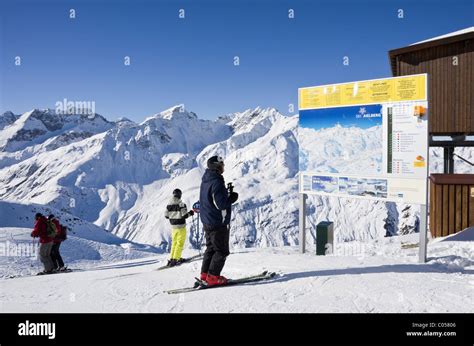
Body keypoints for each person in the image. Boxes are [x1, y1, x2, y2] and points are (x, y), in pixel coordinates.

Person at [199, 155, 238, 286]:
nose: (223, 167)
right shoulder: (216, 181)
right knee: (221, 251)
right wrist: (231, 198)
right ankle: (213, 277)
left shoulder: (206, 180)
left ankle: (205, 274)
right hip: (217, 222)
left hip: (207, 220)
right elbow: (220, 204)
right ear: (216, 166)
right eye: (221, 165)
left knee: (210, 248)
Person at [164, 189, 194, 267]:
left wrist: (173, 215)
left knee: (174, 243)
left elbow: (166, 216)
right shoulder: (181, 204)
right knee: (180, 243)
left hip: (173, 227)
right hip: (181, 226)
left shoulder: (169, 205)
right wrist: (190, 213)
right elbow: (185, 215)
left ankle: (172, 258)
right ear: (180, 195)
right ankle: (176, 259)